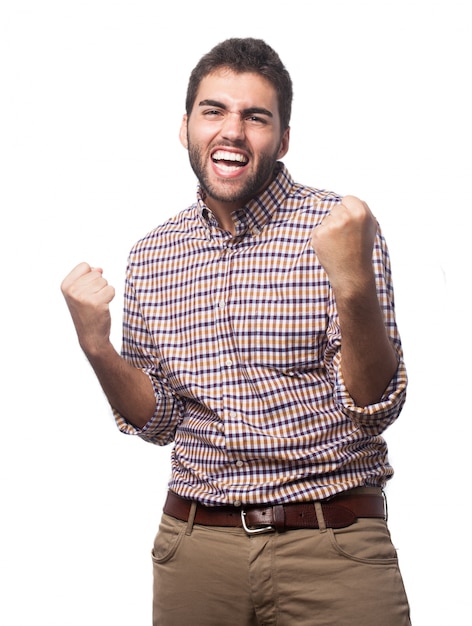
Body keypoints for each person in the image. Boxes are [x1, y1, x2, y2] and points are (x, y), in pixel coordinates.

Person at [61, 37, 411, 626]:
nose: (232, 131)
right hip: (195, 546)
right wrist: (96, 348)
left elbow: (373, 407)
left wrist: (352, 287)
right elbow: (161, 420)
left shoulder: (340, 228)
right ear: (186, 127)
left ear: (284, 138)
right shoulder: (152, 253)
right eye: (214, 110)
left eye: (256, 116)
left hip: (333, 544)